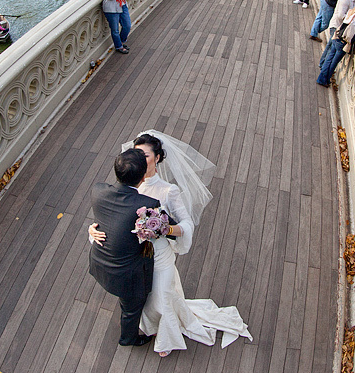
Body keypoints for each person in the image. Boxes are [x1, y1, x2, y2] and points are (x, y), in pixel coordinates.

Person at [89, 131, 251, 357]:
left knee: (162, 295)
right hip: (135, 259)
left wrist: (165, 229)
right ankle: (149, 326)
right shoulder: (129, 185)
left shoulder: (168, 191)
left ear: (157, 158)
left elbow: (186, 224)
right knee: (144, 297)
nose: (139, 159)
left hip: (160, 256)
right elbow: (111, 218)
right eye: (136, 154)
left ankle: (166, 338)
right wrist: (93, 230)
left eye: (144, 155)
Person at [88, 149, 160, 347]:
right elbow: (164, 228)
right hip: (127, 275)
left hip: (100, 263)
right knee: (131, 308)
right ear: (143, 176)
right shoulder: (147, 204)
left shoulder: (98, 190)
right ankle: (128, 338)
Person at [317, 0, 355, 87]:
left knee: (329, 59)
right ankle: (325, 80)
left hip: (337, 37)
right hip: (343, 42)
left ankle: (321, 78)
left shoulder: (350, 12)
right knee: (334, 63)